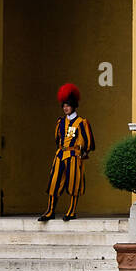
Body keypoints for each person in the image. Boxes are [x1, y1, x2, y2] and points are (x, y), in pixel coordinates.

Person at [40, 83, 95, 222]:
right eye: (64, 105)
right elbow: (57, 138)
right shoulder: (60, 122)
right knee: (54, 182)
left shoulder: (82, 122)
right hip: (60, 155)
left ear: (74, 106)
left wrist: (82, 151)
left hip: (74, 156)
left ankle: (71, 211)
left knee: (74, 183)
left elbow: (89, 142)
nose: (65, 108)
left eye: (68, 105)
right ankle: (50, 211)